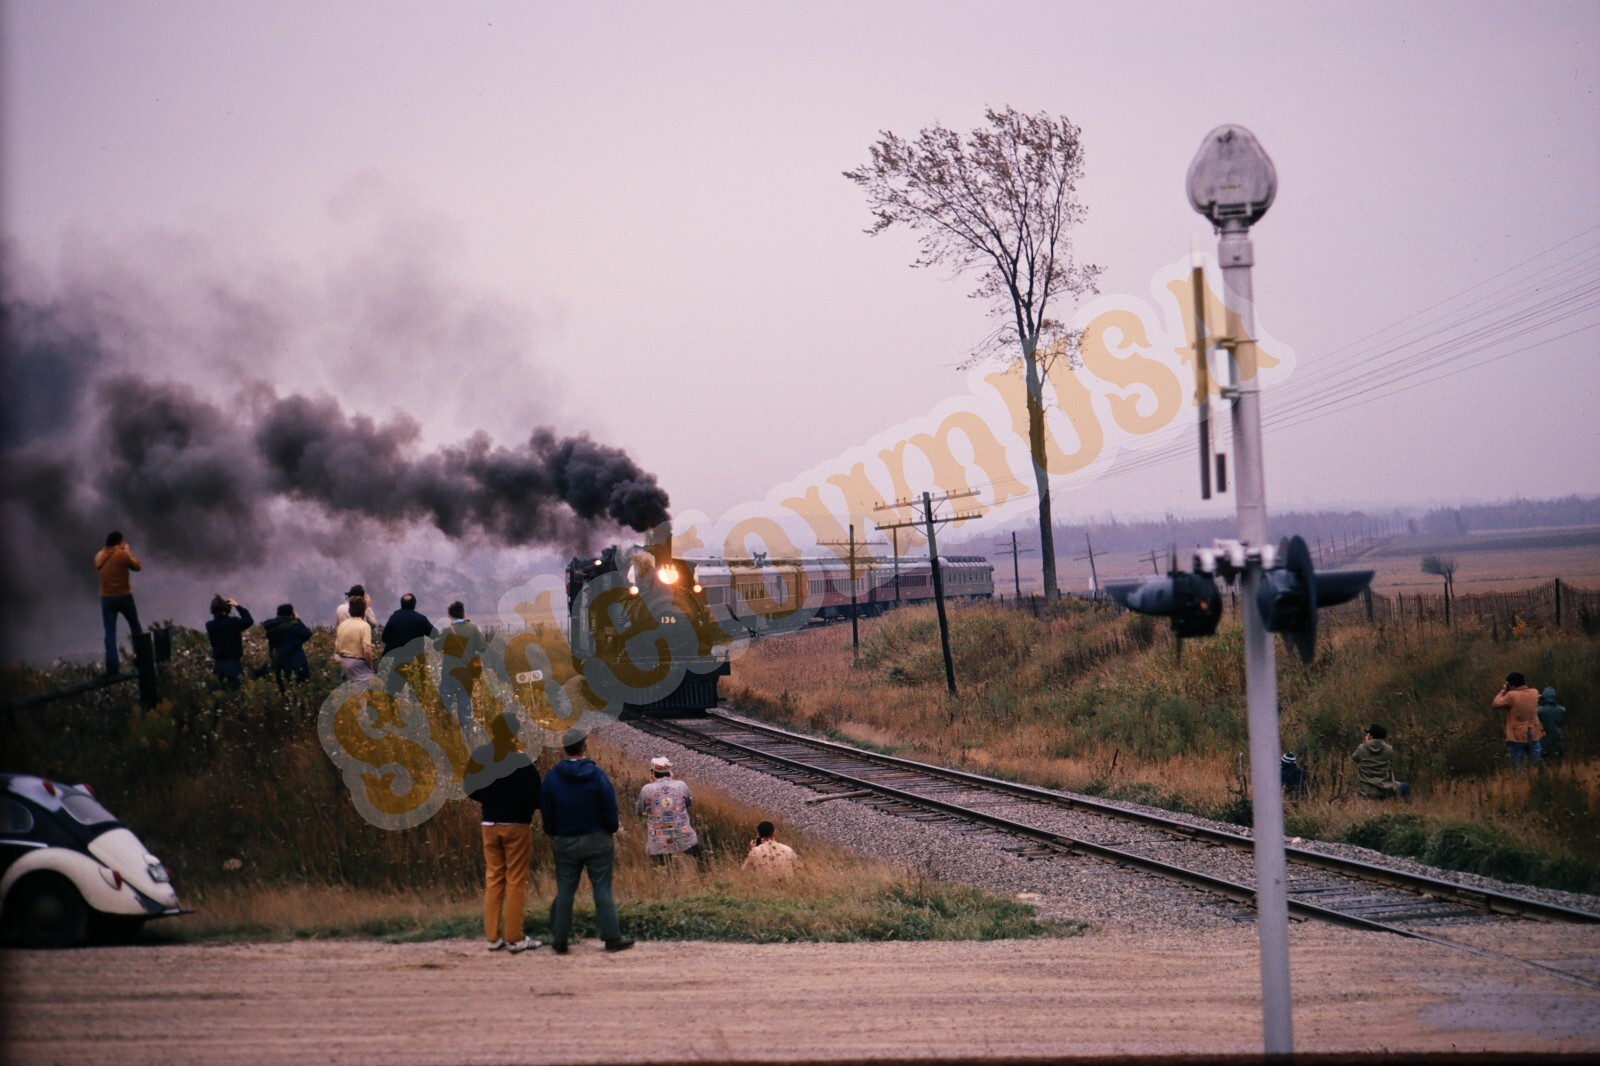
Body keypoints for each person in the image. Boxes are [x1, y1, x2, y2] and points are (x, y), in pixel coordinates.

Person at [540, 728, 632, 954]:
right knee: (602, 889)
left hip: (565, 839)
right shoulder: (598, 775)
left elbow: (547, 810)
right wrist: (609, 829)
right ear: (585, 746)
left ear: (563, 748)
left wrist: (553, 831)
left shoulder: (552, 778)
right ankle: (612, 938)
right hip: (597, 838)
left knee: (565, 890)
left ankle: (560, 940)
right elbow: (609, 807)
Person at [466, 716, 542, 954]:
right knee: (515, 879)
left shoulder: (480, 756)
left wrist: (488, 800)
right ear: (514, 734)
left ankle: (492, 937)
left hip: (489, 823)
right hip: (516, 825)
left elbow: (469, 787)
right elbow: (536, 796)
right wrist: (525, 808)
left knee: (493, 878)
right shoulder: (520, 761)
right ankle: (514, 937)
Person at [635, 756, 704, 868]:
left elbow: (639, 810)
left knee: (660, 867)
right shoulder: (681, 785)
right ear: (669, 772)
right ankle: (704, 877)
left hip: (658, 838)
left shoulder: (646, 789)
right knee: (700, 857)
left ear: (653, 773)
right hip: (683, 834)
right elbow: (689, 803)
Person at [94, 531, 143, 675]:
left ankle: (112, 666)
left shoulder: (98, 556)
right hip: (124, 597)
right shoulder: (122, 554)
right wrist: (128, 551)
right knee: (135, 627)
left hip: (107, 599)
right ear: (119, 543)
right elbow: (137, 566)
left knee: (110, 632)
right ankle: (141, 657)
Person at [434, 601, 487, 726]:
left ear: (450, 616)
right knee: (465, 707)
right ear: (463, 613)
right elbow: (483, 647)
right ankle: (468, 736)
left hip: (449, 672)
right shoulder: (473, 628)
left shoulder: (447, 630)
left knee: (446, 704)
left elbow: (436, 646)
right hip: (466, 673)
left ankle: (447, 733)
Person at [380, 593, 437, 694]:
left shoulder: (394, 618)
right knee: (419, 688)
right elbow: (434, 634)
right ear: (414, 604)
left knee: (392, 689)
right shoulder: (421, 619)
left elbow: (384, 638)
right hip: (416, 658)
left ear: (401, 604)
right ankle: (415, 706)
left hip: (398, 658)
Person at [1492, 672, 1544, 770]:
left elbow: (1496, 704)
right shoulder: (1534, 692)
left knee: (1518, 763)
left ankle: (1520, 782)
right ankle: (1535, 778)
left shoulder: (1512, 695)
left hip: (1517, 734)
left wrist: (1503, 690)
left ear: (1511, 685)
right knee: (1535, 762)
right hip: (1534, 732)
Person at [205, 595, 254, 690]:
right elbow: (249, 620)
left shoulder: (209, 625)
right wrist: (237, 605)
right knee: (238, 694)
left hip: (218, 665)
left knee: (218, 695)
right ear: (226, 609)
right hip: (232, 664)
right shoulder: (232, 622)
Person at [1351, 724, 1410, 800]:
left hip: (1366, 789)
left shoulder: (1362, 748)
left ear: (1370, 736)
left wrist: (1366, 743)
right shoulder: (1389, 749)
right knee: (1405, 786)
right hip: (1385, 787)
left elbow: (1354, 758)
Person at [261, 604, 313, 688]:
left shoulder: (271, 627)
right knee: (299, 688)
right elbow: (307, 633)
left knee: (283, 688)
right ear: (291, 614)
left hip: (278, 663)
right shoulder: (294, 627)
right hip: (296, 663)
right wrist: (298, 620)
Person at [334, 594, 375, 682]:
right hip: (358, 665)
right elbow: (367, 651)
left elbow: (337, 648)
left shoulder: (342, 626)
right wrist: (369, 666)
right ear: (363, 610)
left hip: (344, 663)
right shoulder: (364, 626)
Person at [1537, 686, 1567, 765]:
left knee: (1543, 762)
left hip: (1545, 741)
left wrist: (1538, 700)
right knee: (1557, 762)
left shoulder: (1540, 711)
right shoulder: (1561, 710)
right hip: (1558, 740)